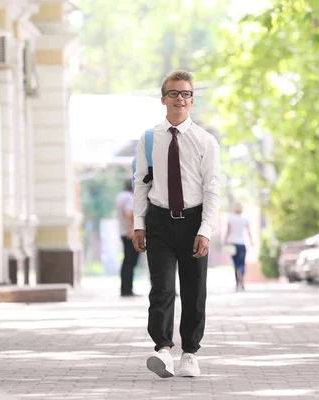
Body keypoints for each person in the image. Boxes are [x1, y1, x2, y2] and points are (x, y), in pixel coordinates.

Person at [132, 70, 220, 379]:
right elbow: (140, 184)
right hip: (158, 221)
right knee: (162, 288)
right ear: (163, 99)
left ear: (192, 101)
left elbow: (212, 188)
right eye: (173, 93)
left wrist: (205, 230)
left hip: (193, 221)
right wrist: (139, 224)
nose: (179, 99)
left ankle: (190, 355)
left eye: (185, 94)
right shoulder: (148, 139)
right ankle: (163, 351)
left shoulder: (205, 141)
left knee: (195, 291)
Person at [115, 179, 139, 297]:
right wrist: (133, 228)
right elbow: (129, 213)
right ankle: (127, 289)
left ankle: (125, 288)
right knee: (130, 261)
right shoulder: (129, 197)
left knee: (126, 262)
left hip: (123, 232)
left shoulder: (120, 196)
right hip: (130, 233)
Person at [223, 201, 253, 291]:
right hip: (242, 244)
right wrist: (251, 241)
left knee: (236, 265)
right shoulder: (245, 218)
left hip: (233, 244)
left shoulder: (230, 218)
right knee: (242, 264)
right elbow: (249, 231)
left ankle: (237, 284)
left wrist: (225, 240)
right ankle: (242, 282)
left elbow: (228, 231)